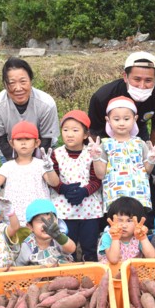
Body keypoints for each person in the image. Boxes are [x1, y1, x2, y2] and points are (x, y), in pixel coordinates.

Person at [88, 51, 155, 221]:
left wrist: (151, 154)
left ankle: (148, 216)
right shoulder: (103, 96)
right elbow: (94, 131)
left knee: (145, 170)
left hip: (139, 131)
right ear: (125, 76)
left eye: (148, 80)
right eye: (137, 79)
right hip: (106, 133)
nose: (142, 85)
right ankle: (103, 217)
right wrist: (98, 153)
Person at [88, 97, 155, 212]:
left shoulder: (140, 143)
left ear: (135, 119)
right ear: (108, 120)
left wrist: (152, 160)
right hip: (114, 198)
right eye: (116, 119)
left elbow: (146, 170)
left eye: (126, 119)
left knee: (137, 223)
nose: (121, 123)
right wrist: (96, 157)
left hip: (139, 197)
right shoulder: (105, 145)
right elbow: (101, 175)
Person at [50, 110, 103, 261]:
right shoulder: (56, 153)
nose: (69, 134)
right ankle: (69, 272)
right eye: (65, 130)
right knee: (67, 249)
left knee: (89, 247)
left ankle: (91, 271)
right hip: (64, 209)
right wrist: (63, 189)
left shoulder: (92, 152)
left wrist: (84, 192)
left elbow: (96, 179)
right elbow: (53, 178)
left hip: (89, 209)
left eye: (75, 130)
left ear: (85, 134)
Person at [0, 121, 59, 226]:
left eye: (28, 139)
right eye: (19, 139)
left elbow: (54, 183)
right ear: (12, 143)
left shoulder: (41, 164)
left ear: (37, 143)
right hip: (14, 219)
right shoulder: (8, 166)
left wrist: (50, 169)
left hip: (39, 218)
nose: (23, 143)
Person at [0, 57, 59, 161]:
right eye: (12, 83)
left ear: (31, 80)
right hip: (10, 150)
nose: (18, 88)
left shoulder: (46, 103)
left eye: (23, 81)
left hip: (42, 150)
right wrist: (16, 165)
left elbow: (46, 140)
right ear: (4, 84)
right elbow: (2, 141)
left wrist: (35, 165)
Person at [97, 196, 155, 275]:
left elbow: (151, 257)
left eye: (129, 221)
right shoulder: (108, 237)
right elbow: (113, 260)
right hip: (111, 275)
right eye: (120, 220)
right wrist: (115, 238)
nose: (124, 225)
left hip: (133, 275)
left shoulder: (138, 236)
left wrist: (143, 238)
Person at [15, 199, 76, 266]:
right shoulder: (27, 246)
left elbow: (71, 249)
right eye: (40, 221)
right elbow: (19, 266)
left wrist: (59, 236)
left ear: (57, 221)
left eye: (50, 220)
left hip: (64, 271)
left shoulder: (60, 239)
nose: (46, 225)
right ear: (30, 226)